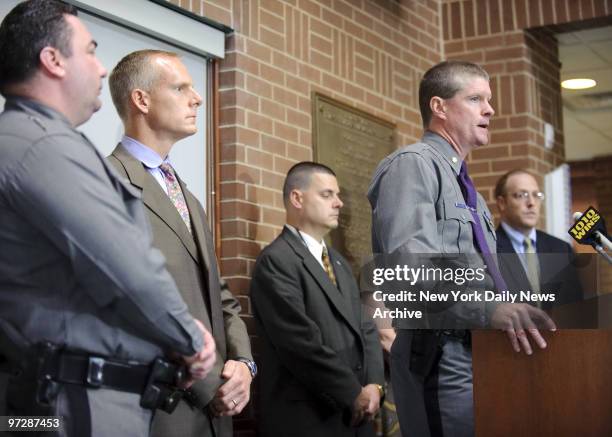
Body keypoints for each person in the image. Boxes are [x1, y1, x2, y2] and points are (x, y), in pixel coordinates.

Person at [0, 1, 215, 436]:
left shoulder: (27, 141)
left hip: (52, 398)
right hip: (75, 402)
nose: (101, 69)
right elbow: (127, 268)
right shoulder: (43, 147)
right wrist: (191, 340)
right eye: (91, 51)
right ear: (53, 60)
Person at [367, 61, 556, 437]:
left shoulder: (471, 193)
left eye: (489, 100)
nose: (490, 109)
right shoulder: (413, 166)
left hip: (481, 353)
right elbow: (411, 270)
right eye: (475, 99)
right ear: (439, 107)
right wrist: (490, 310)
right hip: (440, 355)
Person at [106, 49, 254, 437]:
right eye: (180, 87)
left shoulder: (188, 196)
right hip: (163, 408)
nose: (198, 97)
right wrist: (210, 385)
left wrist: (242, 364)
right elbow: (128, 299)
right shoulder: (108, 182)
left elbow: (219, 297)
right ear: (141, 99)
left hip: (217, 410)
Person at [250, 162, 384, 437]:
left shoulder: (338, 262)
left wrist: (374, 385)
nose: (338, 203)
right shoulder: (277, 261)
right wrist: (352, 392)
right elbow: (302, 344)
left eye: (337, 195)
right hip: (308, 419)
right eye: (327, 195)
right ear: (297, 198)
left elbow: (365, 327)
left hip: (355, 417)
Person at [495, 169, 583, 308]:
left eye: (536, 195)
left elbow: (576, 305)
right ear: (502, 203)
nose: (531, 203)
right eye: (521, 195)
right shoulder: (486, 248)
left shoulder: (561, 249)